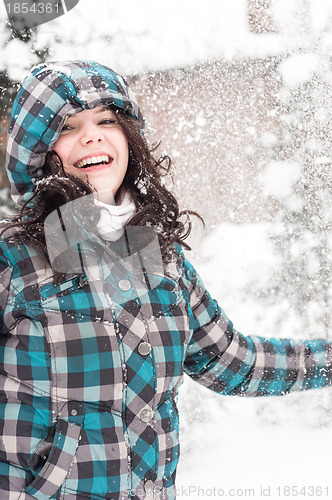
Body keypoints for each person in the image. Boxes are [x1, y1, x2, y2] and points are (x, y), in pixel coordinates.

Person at [0, 60, 331, 500]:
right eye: (67, 126)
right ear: (36, 154)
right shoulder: (13, 258)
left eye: (107, 120)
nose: (93, 134)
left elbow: (234, 362)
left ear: (129, 141)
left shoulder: (155, 257)